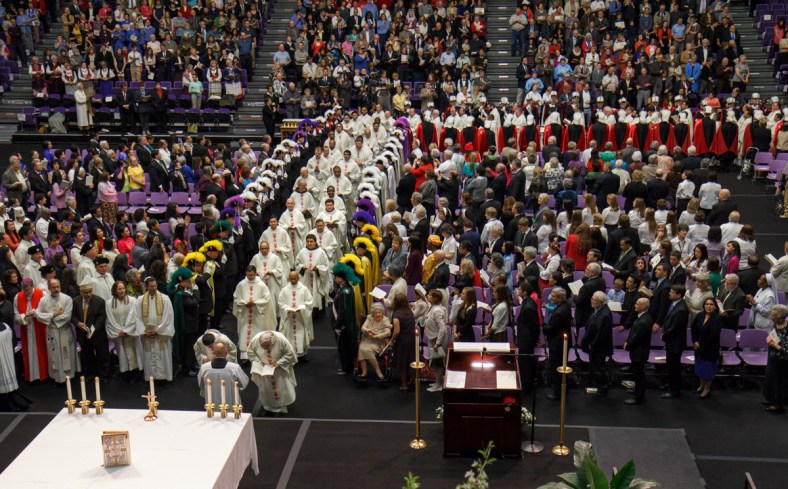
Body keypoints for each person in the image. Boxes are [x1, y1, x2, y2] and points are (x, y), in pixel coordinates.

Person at [127, 277, 175, 382]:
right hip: (147, 334)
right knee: (148, 356)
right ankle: (150, 378)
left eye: (155, 286)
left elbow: (168, 316)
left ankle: (164, 378)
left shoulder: (165, 298)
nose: (153, 288)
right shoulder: (140, 300)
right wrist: (144, 331)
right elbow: (137, 317)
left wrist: (158, 330)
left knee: (163, 356)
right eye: (151, 286)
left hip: (161, 334)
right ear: (146, 286)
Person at [34, 279, 77, 384]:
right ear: (49, 288)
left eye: (58, 286)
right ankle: (57, 378)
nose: (56, 289)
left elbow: (66, 317)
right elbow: (38, 315)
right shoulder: (43, 300)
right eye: (53, 287)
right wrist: (54, 314)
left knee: (66, 354)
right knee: (54, 355)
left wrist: (47, 315)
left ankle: (69, 377)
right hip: (51, 331)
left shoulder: (67, 299)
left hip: (64, 330)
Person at [249, 330, 298, 416]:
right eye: (263, 348)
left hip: (278, 370)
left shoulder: (280, 340)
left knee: (280, 389)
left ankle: (279, 408)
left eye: (267, 347)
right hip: (264, 369)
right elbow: (250, 352)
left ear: (271, 342)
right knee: (266, 389)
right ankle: (267, 408)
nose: (265, 349)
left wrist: (279, 363)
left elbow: (289, 353)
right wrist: (258, 361)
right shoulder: (255, 340)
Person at [233, 265, 276, 362]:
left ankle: (258, 354)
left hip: (257, 313)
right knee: (244, 333)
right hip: (245, 312)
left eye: (252, 275)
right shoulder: (241, 284)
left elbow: (267, 298)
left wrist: (255, 303)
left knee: (257, 332)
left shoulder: (261, 285)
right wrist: (244, 303)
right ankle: (245, 356)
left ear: (256, 273)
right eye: (248, 275)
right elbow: (236, 297)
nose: (250, 277)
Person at [71, 276, 110, 382]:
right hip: (83, 333)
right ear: (81, 292)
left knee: (102, 356)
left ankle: (103, 376)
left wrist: (93, 329)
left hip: (97, 333)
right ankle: (90, 374)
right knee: (87, 356)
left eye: (90, 292)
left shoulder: (99, 301)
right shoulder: (75, 301)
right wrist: (78, 323)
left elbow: (101, 318)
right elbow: (73, 316)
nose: (88, 295)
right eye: (85, 293)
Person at [105, 281, 143, 384]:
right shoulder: (109, 303)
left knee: (134, 353)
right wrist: (119, 331)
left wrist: (127, 331)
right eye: (119, 289)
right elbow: (110, 319)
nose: (122, 291)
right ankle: (124, 374)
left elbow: (134, 317)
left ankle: (135, 374)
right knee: (122, 354)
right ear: (114, 290)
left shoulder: (132, 301)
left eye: (123, 288)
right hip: (118, 334)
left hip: (131, 333)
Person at [13, 278, 48, 382]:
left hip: (40, 327)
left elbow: (47, 310)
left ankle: (44, 375)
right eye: (25, 290)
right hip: (26, 329)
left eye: (29, 290)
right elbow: (16, 315)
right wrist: (23, 316)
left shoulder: (42, 294)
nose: (27, 292)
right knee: (29, 352)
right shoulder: (17, 297)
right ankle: (31, 377)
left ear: (33, 286)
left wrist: (35, 313)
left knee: (42, 351)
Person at [582, 291, 613, 397]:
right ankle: (598, 384)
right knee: (596, 366)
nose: (591, 300)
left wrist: (593, 344)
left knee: (599, 367)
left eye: (594, 300)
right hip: (595, 345)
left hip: (600, 347)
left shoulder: (604, 314)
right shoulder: (598, 310)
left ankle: (603, 387)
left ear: (601, 302)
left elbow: (601, 334)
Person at [660, 285, 690, 399]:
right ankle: (670, 384)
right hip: (672, 341)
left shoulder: (681, 309)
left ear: (679, 295)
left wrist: (664, 335)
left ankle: (675, 390)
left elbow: (675, 328)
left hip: (676, 342)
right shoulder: (675, 305)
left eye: (672, 292)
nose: (669, 294)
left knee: (674, 367)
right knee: (670, 365)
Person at [278, 270, 314, 361]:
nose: (293, 280)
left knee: (300, 335)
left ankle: (301, 355)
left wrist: (301, 307)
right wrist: (287, 308)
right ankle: (290, 355)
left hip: (300, 317)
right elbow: (280, 302)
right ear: (289, 278)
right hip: (288, 317)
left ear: (298, 278)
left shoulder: (304, 289)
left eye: (295, 278)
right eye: (291, 279)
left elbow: (309, 302)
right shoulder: (284, 290)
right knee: (289, 335)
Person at [544, 287, 572, 401]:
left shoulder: (559, 312)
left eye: (554, 295)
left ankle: (557, 392)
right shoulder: (565, 306)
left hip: (558, 343)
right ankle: (562, 388)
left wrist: (543, 328)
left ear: (560, 299)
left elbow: (551, 328)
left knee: (556, 367)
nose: (551, 297)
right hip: (561, 342)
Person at [331, 263, 360, 375]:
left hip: (344, 326)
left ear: (341, 278)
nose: (335, 279)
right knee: (343, 346)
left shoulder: (345, 291)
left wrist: (338, 326)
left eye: (336, 277)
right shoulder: (344, 289)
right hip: (343, 325)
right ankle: (346, 366)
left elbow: (343, 311)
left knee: (344, 347)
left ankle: (347, 368)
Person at [691, 298, 722, 399]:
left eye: (711, 304)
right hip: (698, 346)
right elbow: (693, 329)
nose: (708, 306)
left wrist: (701, 344)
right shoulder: (700, 315)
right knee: (700, 367)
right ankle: (702, 385)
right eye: (707, 304)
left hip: (710, 348)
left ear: (715, 307)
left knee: (708, 369)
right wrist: (695, 341)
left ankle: (707, 388)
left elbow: (714, 335)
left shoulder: (717, 319)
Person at [624, 298, 653, 405]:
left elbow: (636, 337)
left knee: (639, 374)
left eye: (638, 304)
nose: (635, 305)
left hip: (639, 352)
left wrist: (628, 343)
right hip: (639, 351)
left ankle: (639, 397)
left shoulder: (644, 321)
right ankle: (637, 390)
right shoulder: (643, 317)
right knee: (637, 373)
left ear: (644, 307)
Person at [357, 303, 392, 383]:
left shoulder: (385, 319)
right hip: (367, 340)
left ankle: (378, 371)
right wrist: (368, 330)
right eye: (375, 312)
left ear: (382, 312)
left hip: (378, 343)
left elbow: (388, 332)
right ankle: (364, 371)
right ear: (372, 313)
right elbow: (363, 328)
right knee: (362, 348)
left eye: (379, 312)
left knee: (366, 350)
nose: (377, 314)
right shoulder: (369, 317)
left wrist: (377, 336)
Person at [764, 305, 788, 413]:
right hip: (773, 356)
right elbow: (773, 334)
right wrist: (769, 338)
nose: (771, 317)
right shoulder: (776, 324)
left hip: (782, 360)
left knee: (779, 382)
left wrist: (774, 345)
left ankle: (778, 404)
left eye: (773, 316)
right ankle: (771, 398)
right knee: (770, 379)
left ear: (781, 318)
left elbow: (786, 350)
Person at [423, 289, 448, 392]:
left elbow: (443, 328)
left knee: (437, 363)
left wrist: (438, 343)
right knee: (435, 362)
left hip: (437, 339)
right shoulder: (433, 307)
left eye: (429, 295)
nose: (427, 296)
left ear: (435, 298)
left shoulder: (437, 310)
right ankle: (438, 382)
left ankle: (438, 385)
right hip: (433, 337)